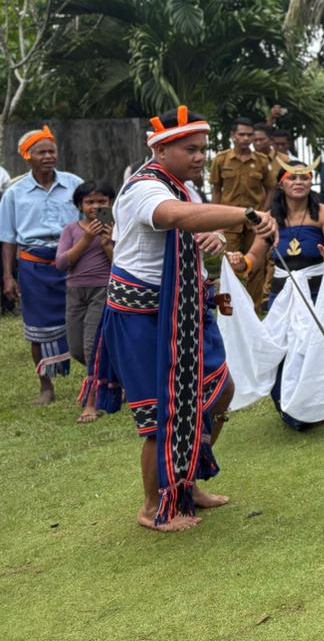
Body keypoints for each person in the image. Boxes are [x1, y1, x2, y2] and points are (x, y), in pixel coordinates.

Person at [86, 107, 277, 532]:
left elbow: (185, 224)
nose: (199, 157)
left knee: (220, 388)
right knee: (160, 416)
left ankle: (186, 480)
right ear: (161, 149)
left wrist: (205, 236)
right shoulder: (144, 187)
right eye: (190, 149)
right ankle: (153, 506)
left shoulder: (183, 188)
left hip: (184, 308)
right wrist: (244, 214)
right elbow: (174, 217)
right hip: (141, 315)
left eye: (202, 149)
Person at [230, 158, 324, 430]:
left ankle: (312, 406)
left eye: (305, 177)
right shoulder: (271, 218)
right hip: (283, 292)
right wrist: (241, 263)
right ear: (282, 183)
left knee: (311, 348)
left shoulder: (323, 212)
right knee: (280, 348)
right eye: (293, 178)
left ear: (311, 181)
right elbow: (255, 255)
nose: (299, 182)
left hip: (314, 290)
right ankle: (288, 407)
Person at [0, 126, 84, 405]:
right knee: (37, 329)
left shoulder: (75, 184)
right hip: (34, 267)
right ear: (28, 156)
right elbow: (9, 238)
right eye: (41, 152)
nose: (49, 156)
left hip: (74, 262)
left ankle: (102, 379)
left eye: (52, 151)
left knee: (88, 322)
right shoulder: (14, 193)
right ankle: (46, 387)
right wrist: (8, 277)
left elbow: (91, 223)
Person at [57, 181, 116, 423]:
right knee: (77, 348)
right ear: (80, 205)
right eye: (90, 202)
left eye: (102, 202)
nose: (95, 206)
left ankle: (92, 403)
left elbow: (121, 264)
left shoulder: (116, 229)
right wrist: (86, 239)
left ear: (110, 204)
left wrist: (107, 244)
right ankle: (112, 381)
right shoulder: (72, 230)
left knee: (92, 348)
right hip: (75, 292)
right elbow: (61, 263)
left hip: (102, 291)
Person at [209, 117, 276, 306]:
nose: (246, 138)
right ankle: (231, 308)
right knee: (230, 266)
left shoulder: (262, 161)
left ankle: (254, 309)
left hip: (255, 223)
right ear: (233, 136)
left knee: (257, 266)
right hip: (229, 222)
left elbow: (271, 187)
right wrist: (216, 222)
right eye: (242, 134)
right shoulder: (221, 160)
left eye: (249, 135)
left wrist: (265, 212)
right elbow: (216, 191)